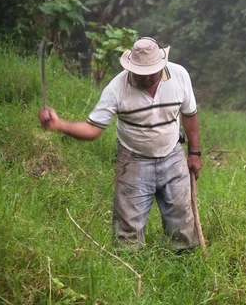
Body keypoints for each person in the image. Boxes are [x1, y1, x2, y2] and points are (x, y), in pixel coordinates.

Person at [38, 37, 202, 251]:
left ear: (162, 64)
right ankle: (129, 267)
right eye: (142, 72)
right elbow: (92, 129)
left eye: (152, 71)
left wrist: (194, 153)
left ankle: (183, 262)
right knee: (128, 229)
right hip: (133, 160)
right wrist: (59, 125)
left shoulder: (179, 75)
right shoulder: (116, 88)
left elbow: (190, 115)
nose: (148, 77)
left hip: (172, 154)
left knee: (181, 217)